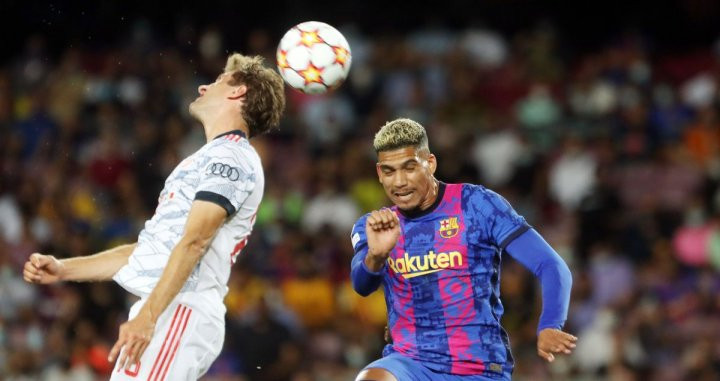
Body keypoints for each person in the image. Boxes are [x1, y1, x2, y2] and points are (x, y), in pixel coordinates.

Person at [22, 52, 286, 380]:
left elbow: (195, 241)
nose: (204, 87)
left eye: (218, 81)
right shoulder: (207, 157)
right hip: (166, 308)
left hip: (181, 308)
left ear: (237, 93)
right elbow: (148, 251)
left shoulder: (231, 157)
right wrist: (64, 269)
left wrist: (148, 316)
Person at [350, 118, 576, 381]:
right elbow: (361, 285)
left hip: (478, 368)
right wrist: (376, 256)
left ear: (430, 163)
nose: (399, 181)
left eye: (409, 168)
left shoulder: (477, 205)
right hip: (411, 363)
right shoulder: (374, 225)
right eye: (389, 171)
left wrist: (550, 324)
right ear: (379, 173)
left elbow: (550, 265)